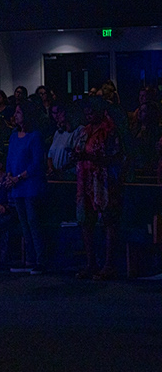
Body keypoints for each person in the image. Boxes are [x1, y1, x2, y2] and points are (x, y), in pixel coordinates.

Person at [74, 99, 125, 280]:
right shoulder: (84, 131)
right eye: (86, 111)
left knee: (108, 221)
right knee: (86, 221)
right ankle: (91, 263)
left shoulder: (109, 131)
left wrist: (91, 157)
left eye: (91, 110)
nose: (88, 114)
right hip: (85, 180)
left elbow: (115, 157)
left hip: (104, 181)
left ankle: (109, 264)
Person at [6, 102, 48, 274]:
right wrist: (9, 175)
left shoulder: (35, 136)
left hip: (30, 186)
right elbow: (10, 158)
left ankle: (41, 260)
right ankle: (29, 258)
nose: (15, 115)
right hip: (17, 187)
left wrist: (19, 177)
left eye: (18, 112)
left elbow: (37, 162)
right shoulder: (14, 136)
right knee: (24, 224)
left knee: (33, 222)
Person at [46, 103, 79, 180]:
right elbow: (50, 154)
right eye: (54, 113)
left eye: (59, 112)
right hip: (56, 176)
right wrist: (51, 168)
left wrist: (61, 169)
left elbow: (77, 156)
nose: (57, 115)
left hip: (70, 176)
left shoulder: (78, 131)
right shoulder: (58, 132)